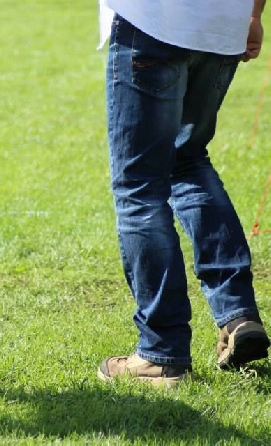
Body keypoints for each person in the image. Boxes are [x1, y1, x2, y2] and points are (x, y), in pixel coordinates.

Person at [98, 0, 271, 387]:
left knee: (139, 187)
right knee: (187, 161)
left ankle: (161, 352)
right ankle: (236, 315)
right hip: (221, 26)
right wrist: (254, 14)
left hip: (154, 22)